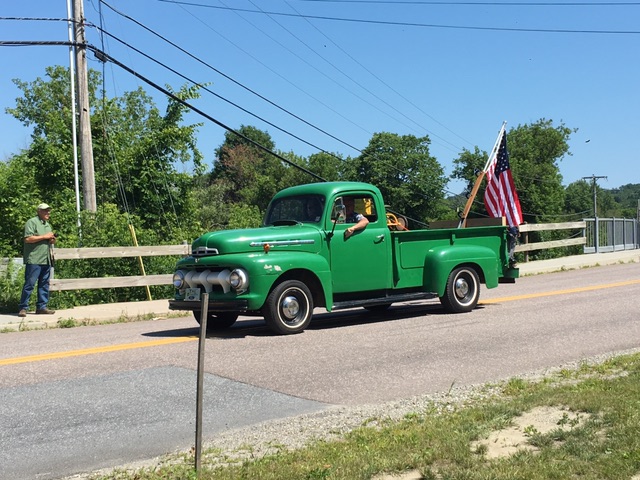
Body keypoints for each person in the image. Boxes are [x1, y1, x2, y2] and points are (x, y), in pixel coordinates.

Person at [18, 203, 57, 317]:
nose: (47, 213)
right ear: (39, 211)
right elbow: (28, 239)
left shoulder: (47, 225)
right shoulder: (31, 222)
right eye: (45, 211)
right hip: (34, 259)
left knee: (44, 284)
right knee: (30, 284)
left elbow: (48, 239)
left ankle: (41, 307)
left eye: (48, 211)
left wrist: (52, 240)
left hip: (46, 259)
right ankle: (23, 307)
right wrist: (45, 237)